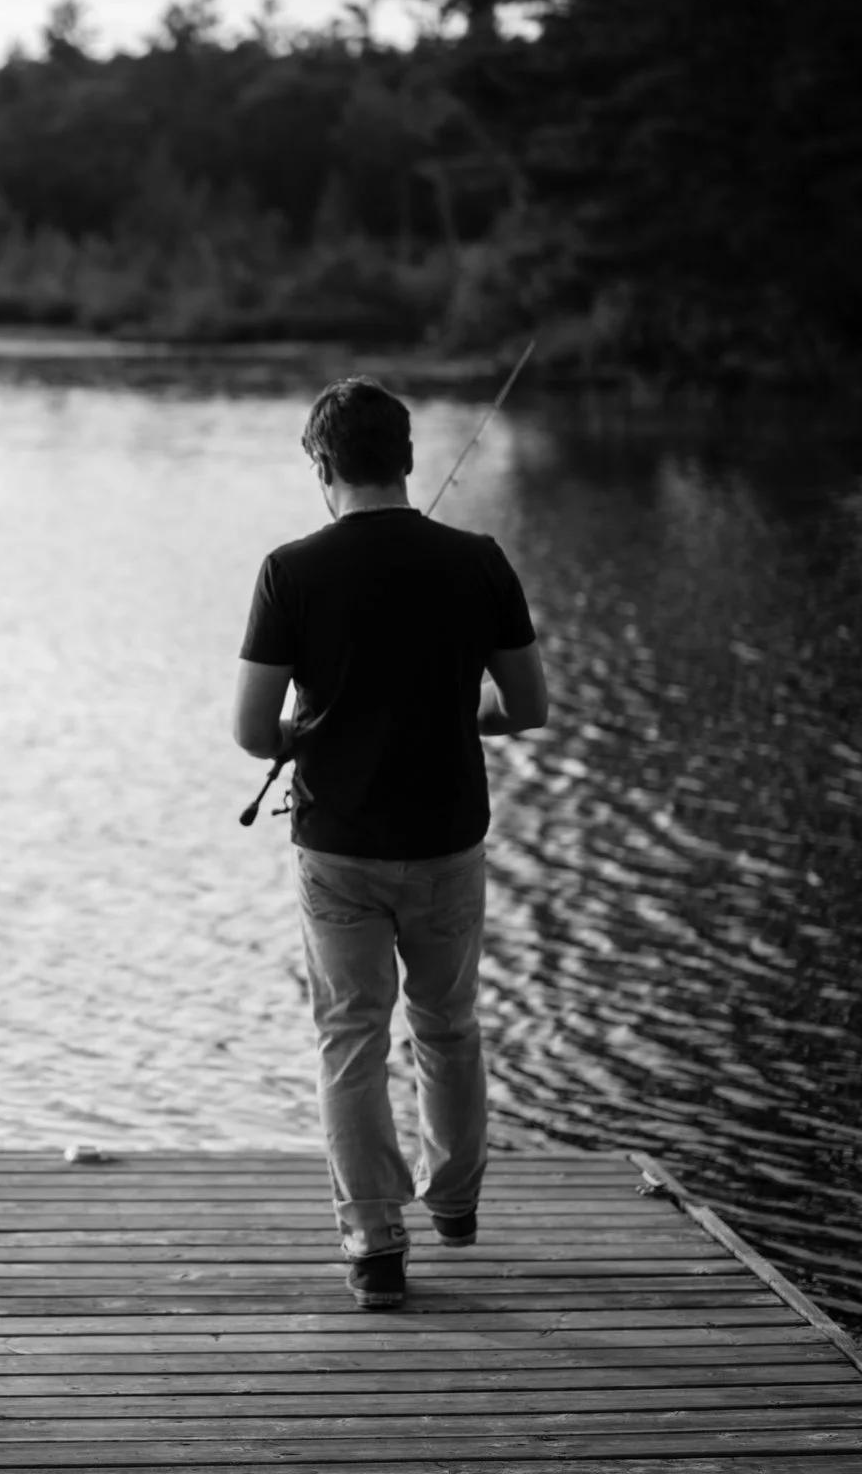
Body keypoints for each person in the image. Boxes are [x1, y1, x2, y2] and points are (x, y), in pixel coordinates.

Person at [230, 376, 547, 1311]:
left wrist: (304, 730)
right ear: (406, 458)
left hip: (339, 847)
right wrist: (455, 713)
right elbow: (526, 707)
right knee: (448, 1025)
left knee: (351, 1038)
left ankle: (374, 1244)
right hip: (448, 838)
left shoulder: (289, 570)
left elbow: (252, 731)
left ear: (322, 464)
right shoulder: (478, 560)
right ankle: (455, 1204)